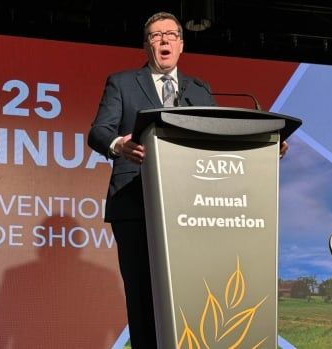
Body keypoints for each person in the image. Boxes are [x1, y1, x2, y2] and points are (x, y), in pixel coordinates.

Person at [88, 12, 288, 347]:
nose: (164, 40)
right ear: (146, 45)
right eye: (155, 36)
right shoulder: (122, 82)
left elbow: (216, 138)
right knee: (143, 297)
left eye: (171, 34)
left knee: (196, 292)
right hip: (136, 204)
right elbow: (98, 131)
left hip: (195, 208)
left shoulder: (199, 89)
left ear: (181, 43)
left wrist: (263, 149)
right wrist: (118, 145)